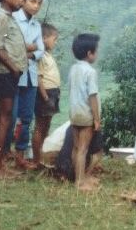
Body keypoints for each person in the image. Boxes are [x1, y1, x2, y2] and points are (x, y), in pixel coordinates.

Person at [0, 0, 28, 179]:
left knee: (6, 118)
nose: (21, 0)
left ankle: (1, 162)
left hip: (8, 75)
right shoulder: (2, 17)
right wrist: (13, 67)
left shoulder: (8, 16)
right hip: (4, 75)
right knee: (4, 119)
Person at [6, 0, 44, 169]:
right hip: (14, 74)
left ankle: (20, 155)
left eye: (39, 3)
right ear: (24, 0)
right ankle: (4, 154)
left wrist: (28, 51)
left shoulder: (36, 25)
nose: (36, 6)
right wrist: (29, 49)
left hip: (31, 76)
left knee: (26, 118)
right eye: (33, 1)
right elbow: (12, 49)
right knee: (10, 117)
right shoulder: (13, 19)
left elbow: (40, 50)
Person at [59, 33, 103, 190]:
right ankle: (80, 181)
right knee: (83, 150)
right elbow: (92, 96)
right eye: (96, 51)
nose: (97, 54)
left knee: (76, 148)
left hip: (74, 113)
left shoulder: (73, 69)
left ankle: (78, 176)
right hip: (86, 115)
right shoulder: (91, 72)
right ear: (89, 53)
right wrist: (96, 119)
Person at [31, 22, 61, 165]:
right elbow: (38, 77)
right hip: (46, 93)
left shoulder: (48, 55)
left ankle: (43, 155)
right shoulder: (41, 55)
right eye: (54, 39)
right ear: (44, 38)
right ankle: (37, 159)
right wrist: (44, 96)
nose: (55, 42)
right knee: (40, 125)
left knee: (46, 125)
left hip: (53, 92)